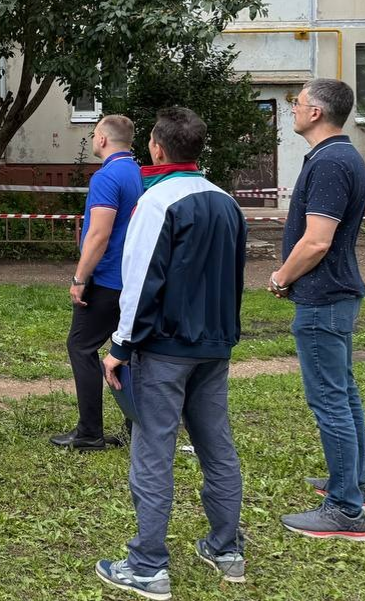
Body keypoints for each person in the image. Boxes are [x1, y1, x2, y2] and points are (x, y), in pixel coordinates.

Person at [97, 107, 247, 601]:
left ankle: (147, 566)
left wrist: (120, 346)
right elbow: (234, 275)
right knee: (216, 446)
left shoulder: (157, 201)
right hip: (215, 346)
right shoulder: (227, 201)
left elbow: (140, 279)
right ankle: (227, 550)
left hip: (164, 348)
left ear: (157, 148)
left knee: (153, 450)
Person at [270, 79, 365, 540]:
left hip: (323, 297)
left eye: (296, 102)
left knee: (331, 399)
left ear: (316, 112)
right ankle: (354, 485)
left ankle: (346, 511)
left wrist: (282, 276)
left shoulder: (331, 162)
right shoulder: (340, 156)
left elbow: (317, 241)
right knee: (344, 393)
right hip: (335, 294)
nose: (292, 109)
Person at [52, 114, 142, 451]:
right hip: (133, 279)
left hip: (106, 279)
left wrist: (80, 277)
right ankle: (138, 427)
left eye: (94, 134)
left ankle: (89, 432)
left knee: (81, 347)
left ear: (102, 139)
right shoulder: (138, 173)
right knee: (130, 350)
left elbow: (99, 234)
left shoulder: (107, 176)